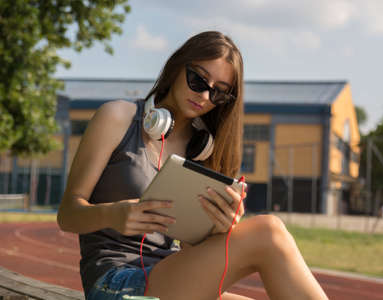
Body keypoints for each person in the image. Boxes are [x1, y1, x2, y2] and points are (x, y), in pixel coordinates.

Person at [57, 31, 328, 300]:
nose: (205, 96)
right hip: (114, 283)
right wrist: (113, 215)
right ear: (177, 66)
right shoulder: (117, 117)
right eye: (198, 80)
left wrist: (219, 230)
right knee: (269, 232)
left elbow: (187, 248)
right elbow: (67, 215)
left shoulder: (204, 150)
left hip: (169, 278)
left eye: (219, 93)